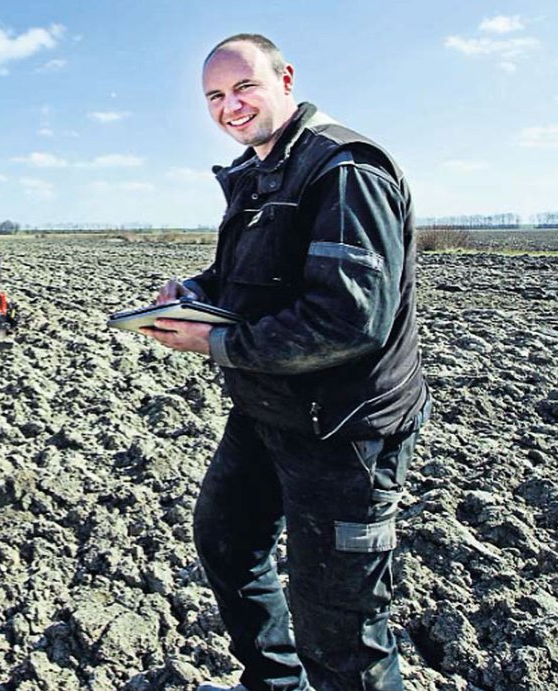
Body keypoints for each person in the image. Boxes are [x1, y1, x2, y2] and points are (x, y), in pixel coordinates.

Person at [141, 34, 430, 691]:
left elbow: (348, 320)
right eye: (215, 96)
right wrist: (194, 294)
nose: (229, 107)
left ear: (285, 77)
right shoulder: (261, 171)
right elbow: (244, 279)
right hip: (268, 408)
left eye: (243, 88)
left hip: (343, 431)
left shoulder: (345, 169)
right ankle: (272, 683)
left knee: (342, 628)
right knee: (226, 540)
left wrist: (212, 343)